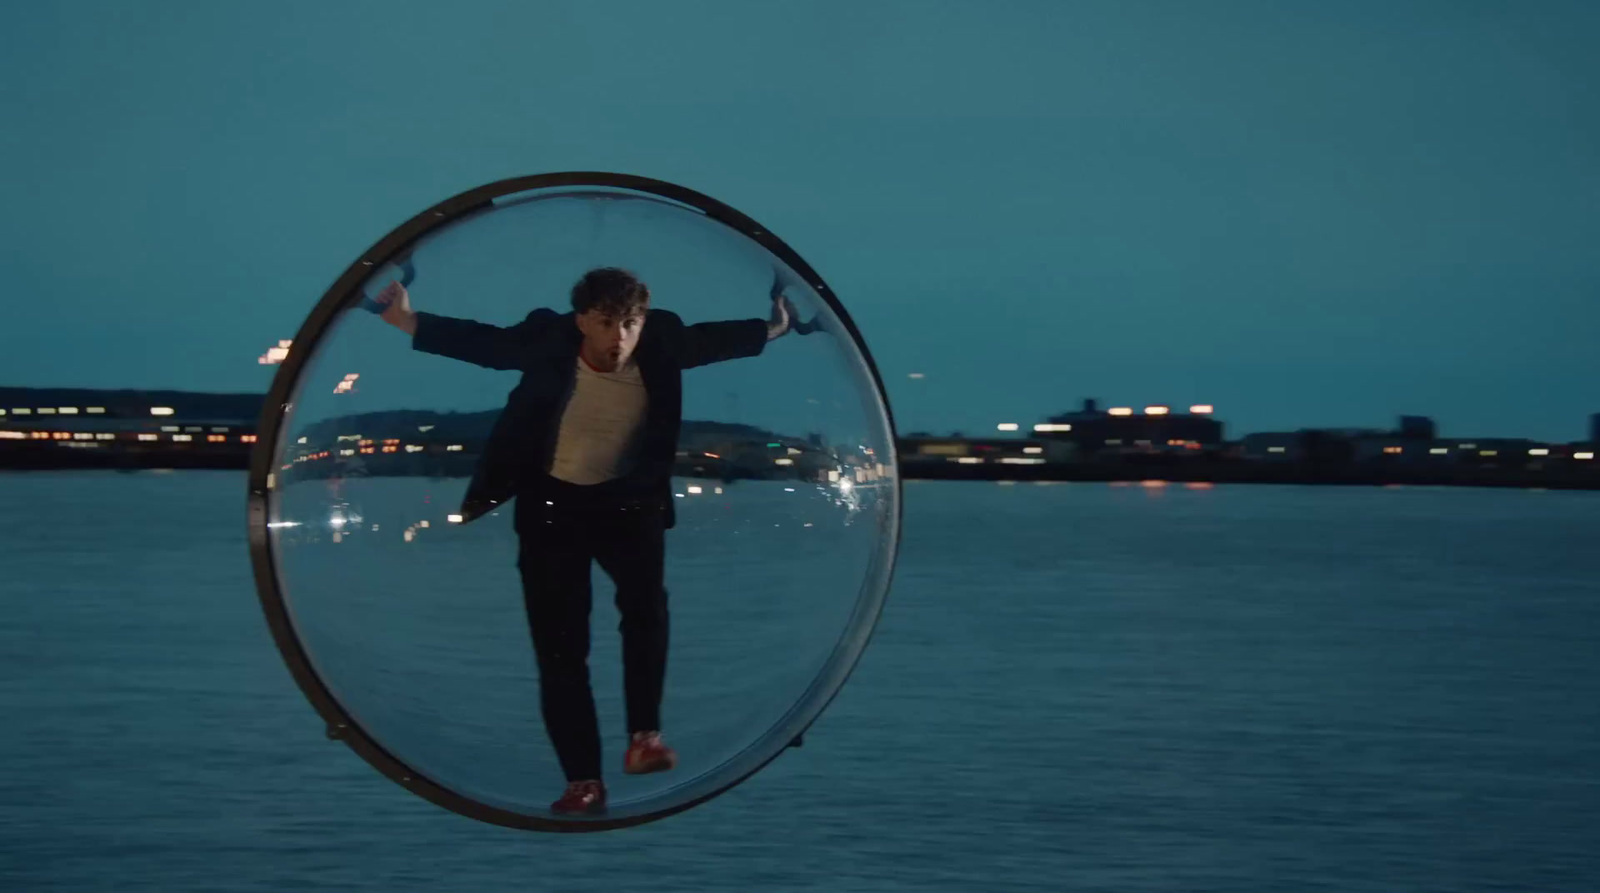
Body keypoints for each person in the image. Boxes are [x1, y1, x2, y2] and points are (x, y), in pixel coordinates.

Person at [372, 267, 795, 815]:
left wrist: (776, 328)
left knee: (646, 609)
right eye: (606, 324)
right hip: (552, 507)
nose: (619, 337)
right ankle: (583, 782)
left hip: (629, 504)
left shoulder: (663, 340)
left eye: (629, 324)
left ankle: (645, 736)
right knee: (561, 648)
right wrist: (405, 319)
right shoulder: (550, 340)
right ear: (581, 322)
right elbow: (488, 345)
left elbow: (716, 341)